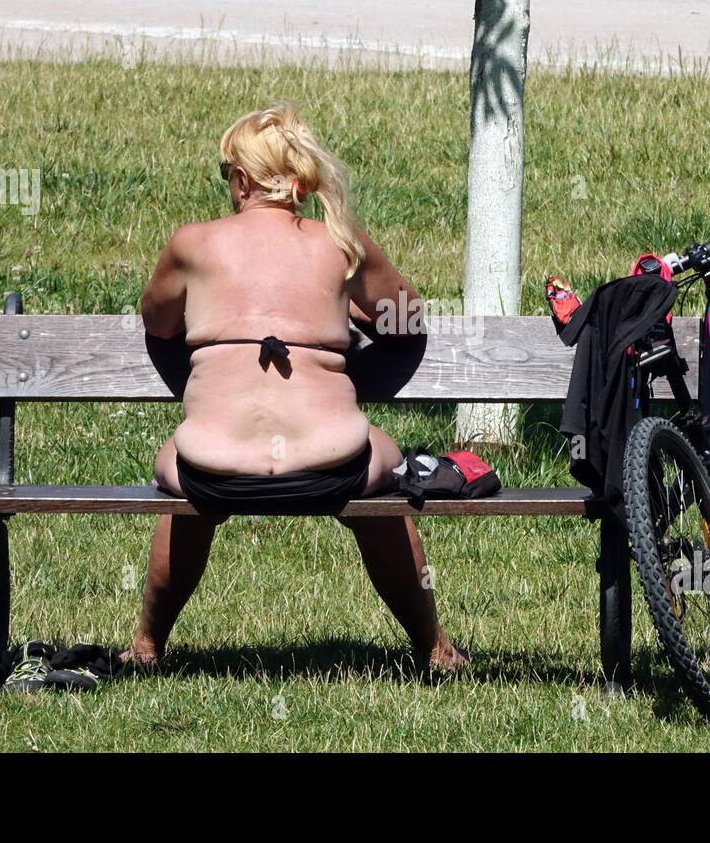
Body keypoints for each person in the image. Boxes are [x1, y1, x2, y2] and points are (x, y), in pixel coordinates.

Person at [122, 104, 468, 675]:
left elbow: (157, 320)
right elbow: (406, 317)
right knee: (384, 483)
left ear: (239, 179)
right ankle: (434, 647)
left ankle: (146, 645)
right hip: (331, 463)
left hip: (214, 469)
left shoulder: (191, 243)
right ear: (301, 180)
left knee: (177, 470)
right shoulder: (339, 244)